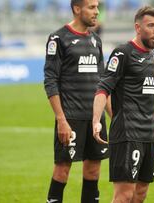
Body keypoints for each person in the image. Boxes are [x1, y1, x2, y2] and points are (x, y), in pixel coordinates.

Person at [92, 6, 154, 203]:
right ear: (138, 28)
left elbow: (144, 100)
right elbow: (103, 89)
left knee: (140, 194)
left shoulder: (153, 56)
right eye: (151, 26)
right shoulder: (123, 53)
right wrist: (96, 120)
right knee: (123, 196)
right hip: (127, 134)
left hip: (148, 134)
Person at [43, 0, 108, 203]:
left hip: (96, 118)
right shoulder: (58, 38)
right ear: (77, 9)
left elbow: (103, 84)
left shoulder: (96, 40)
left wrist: (116, 117)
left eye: (97, 7)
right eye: (91, 7)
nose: (96, 12)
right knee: (62, 169)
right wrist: (61, 119)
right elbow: (50, 80)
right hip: (70, 118)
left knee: (93, 170)